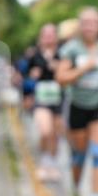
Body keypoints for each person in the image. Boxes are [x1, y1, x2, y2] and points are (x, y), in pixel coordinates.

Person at [56, 7, 98, 196]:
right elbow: (61, 77)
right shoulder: (71, 49)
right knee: (79, 156)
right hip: (78, 105)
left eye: (94, 22)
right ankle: (76, 187)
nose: (90, 26)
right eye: (86, 22)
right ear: (80, 26)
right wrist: (83, 69)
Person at [28, 23, 63, 182]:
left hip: (59, 98)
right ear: (41, 37)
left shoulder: (63, 54)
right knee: (45, 131)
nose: (48, 37)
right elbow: (23, 74)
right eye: (46, 34)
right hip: (41, 98)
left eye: (51, 34)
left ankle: (52, 164)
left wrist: (59, 68)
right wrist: (32, 76)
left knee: (55, 134)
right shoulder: (34, 55)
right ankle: (44, 161)